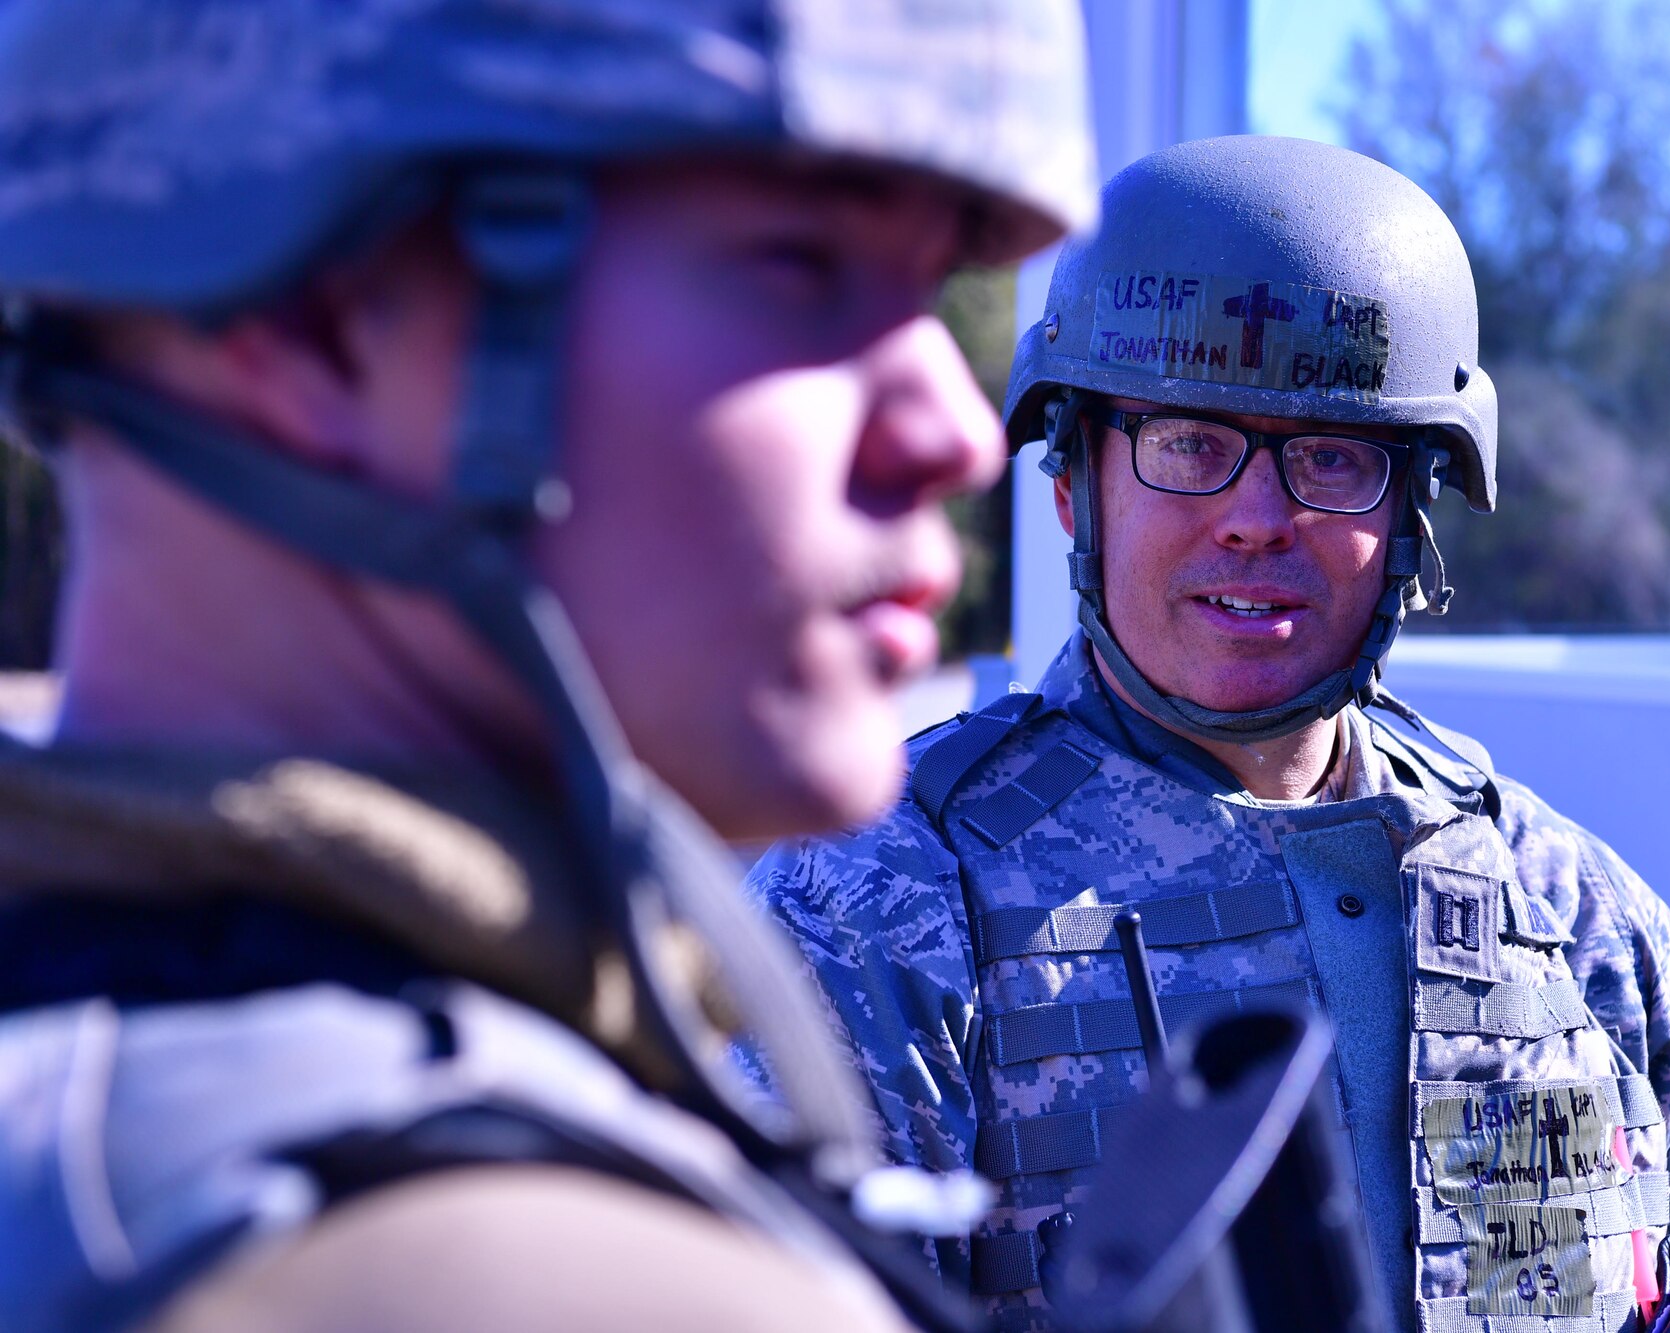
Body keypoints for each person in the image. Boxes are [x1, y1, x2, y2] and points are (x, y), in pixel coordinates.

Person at [0, 3, 1095, 1332]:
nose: (955, 433)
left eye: (929, 295)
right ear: (322, 324)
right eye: (800, 266)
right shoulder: (547, 1282)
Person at [747, 136, 1670, 1333]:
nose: (1256, 520)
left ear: (1410, 518)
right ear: (1073, 487)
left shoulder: (1567, 910)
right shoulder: (885, 898)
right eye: (1188, 446)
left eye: (1329, 456)